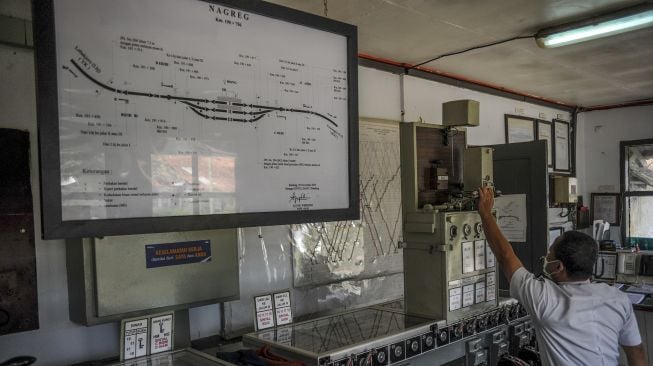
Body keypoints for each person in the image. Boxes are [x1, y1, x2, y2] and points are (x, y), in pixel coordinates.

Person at [477, 186, 646, 366]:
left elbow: (505, 256)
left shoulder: (545, 299)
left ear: (558, 267)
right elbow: (636, 353)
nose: (546, 257)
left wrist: (486, 214)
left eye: (550, 254)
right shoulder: (618, 299)